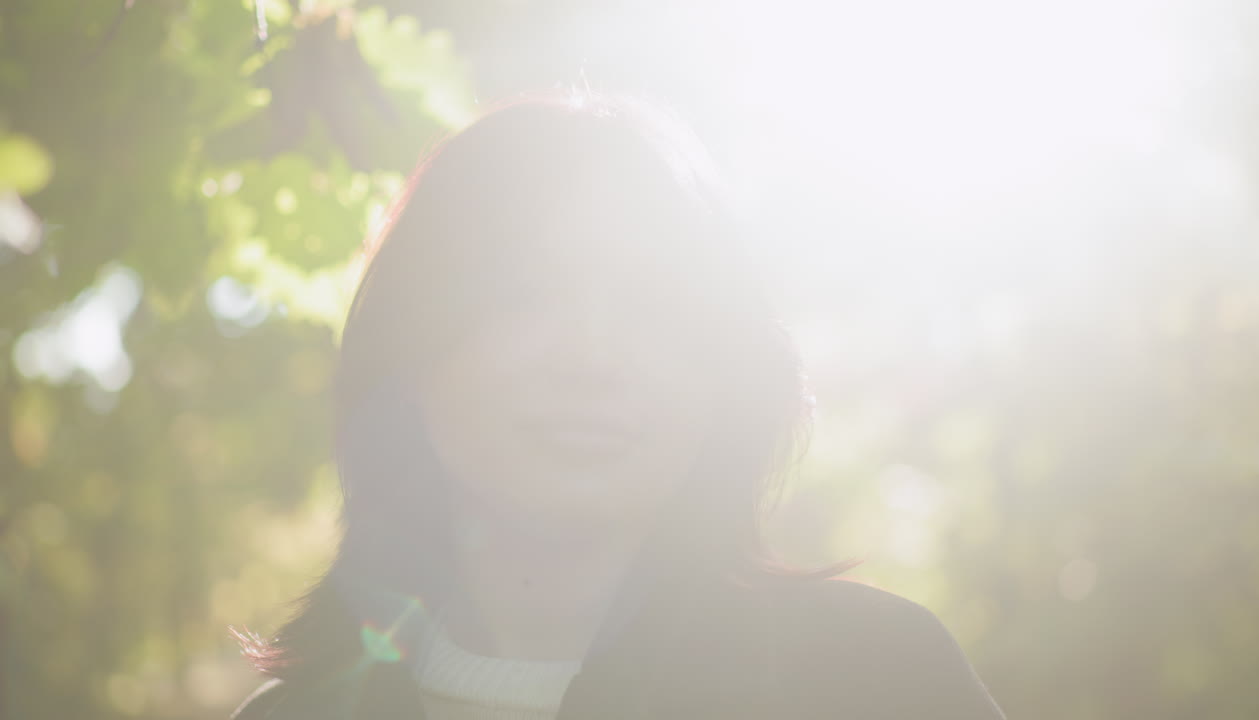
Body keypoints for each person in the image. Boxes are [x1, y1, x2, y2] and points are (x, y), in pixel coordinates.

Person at [230, 90, 1005, 720]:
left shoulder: (880, 682)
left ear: (724, 375)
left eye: (656, 304)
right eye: (522, 295)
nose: (594, 357)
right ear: (411, 350)